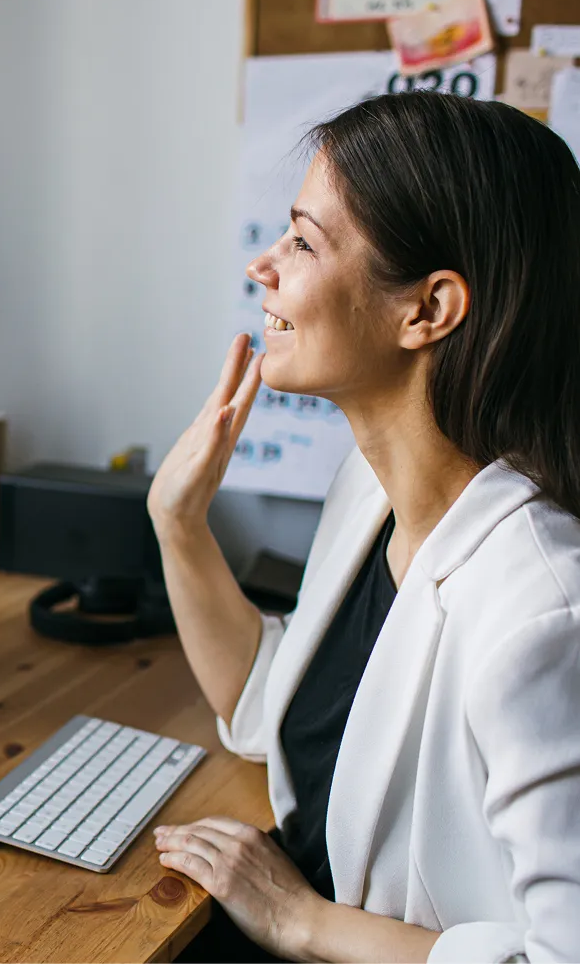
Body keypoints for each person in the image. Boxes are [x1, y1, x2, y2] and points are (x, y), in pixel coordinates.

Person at [148, 92, 580, 963]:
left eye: (303, 241)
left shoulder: (544, 615)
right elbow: (270, 712)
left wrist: (300, 921)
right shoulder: (367, 492)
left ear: (427, 310)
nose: (263, 266)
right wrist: (178, 522)